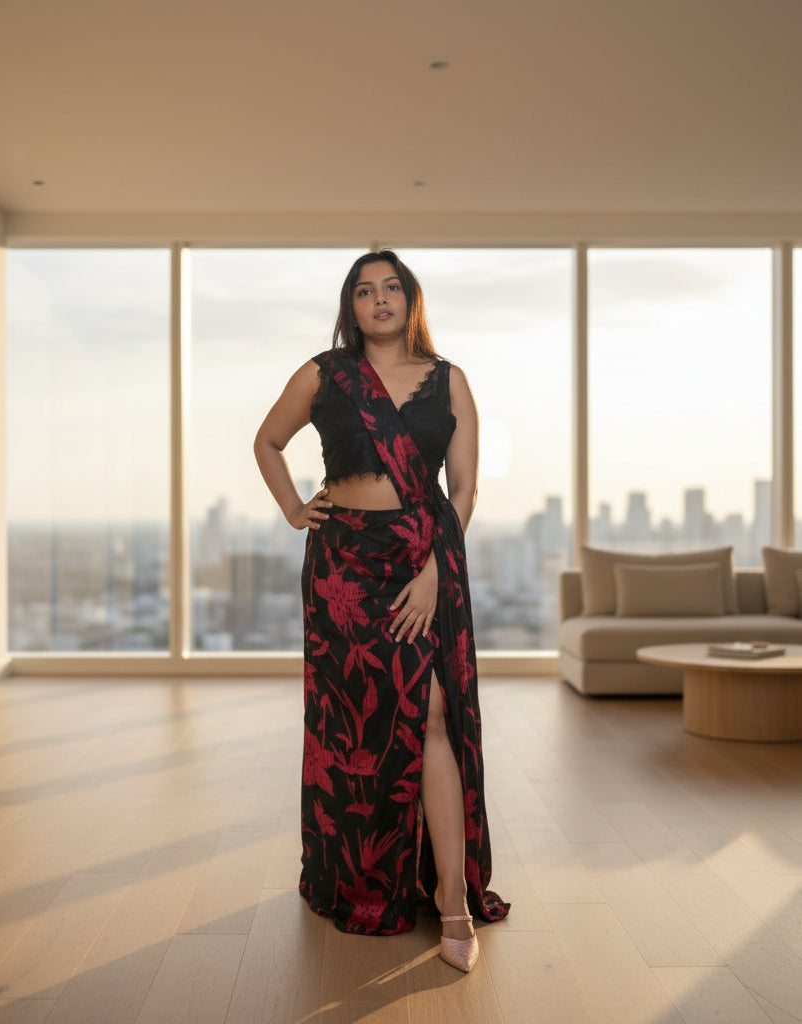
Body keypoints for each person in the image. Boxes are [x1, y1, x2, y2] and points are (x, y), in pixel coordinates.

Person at [254, 250, 508, 972]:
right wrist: (295, 508)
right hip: (343, 568)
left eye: (392, 287)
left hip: (423, 564)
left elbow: (463, 490)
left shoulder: (449, 380)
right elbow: (267, 442)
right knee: (357, 725)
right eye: (365, 291)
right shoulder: (323, 375)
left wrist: (433, 567)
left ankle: (452, 896)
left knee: (430, 714)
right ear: (351, 307)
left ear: (412, 299)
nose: (380, 299)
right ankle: (362, 874)